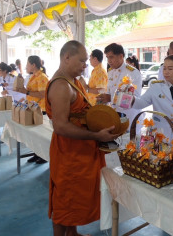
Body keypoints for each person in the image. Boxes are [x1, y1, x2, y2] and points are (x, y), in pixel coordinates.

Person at [46, 40, 119, 236]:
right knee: (65, 197)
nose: (85, 65)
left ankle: (73, 233)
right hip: (69, 151)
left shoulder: (73, 81)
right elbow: (60, 126)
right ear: (66, 57)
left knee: (75, 196)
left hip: (80, 150)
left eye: (87, 61)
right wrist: (95, 135)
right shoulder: (61, 86)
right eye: (82, 61)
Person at [16, 55, 49, 164]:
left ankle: (43, 156)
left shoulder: (42, 77)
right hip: (32, 107)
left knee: (41, 134)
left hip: (41, 109)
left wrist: (27, 92)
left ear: (33, 65)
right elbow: (30, 92)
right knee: (34, 134)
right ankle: (36, 153)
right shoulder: (34, 76)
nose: (26, 67)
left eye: (27, 64)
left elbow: (43, 94)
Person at [103, 43, 142, 128]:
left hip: (129, 116)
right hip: (114, 115)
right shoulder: (110, 72)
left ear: (121, 56)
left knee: (128, 140)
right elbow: (109, 92)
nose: (109, 61)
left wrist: (111, 98)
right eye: (107, 57)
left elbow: (135, 98)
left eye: (111, 57)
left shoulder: (132, 73)